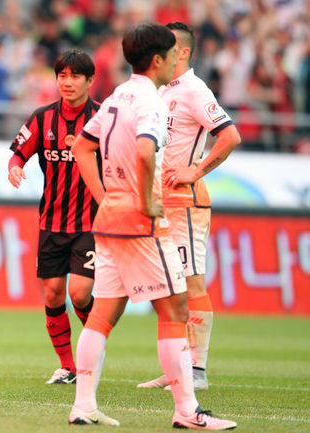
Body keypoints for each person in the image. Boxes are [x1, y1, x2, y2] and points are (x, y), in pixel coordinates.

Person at [68, 23, 237, 430]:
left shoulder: (116, 96)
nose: (176, 59)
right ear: (159, 59)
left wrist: (106, 196)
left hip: (110, 219)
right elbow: (146, 151)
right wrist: (145, 201)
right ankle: (187, 412)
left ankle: (83, 406)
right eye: (171, 53)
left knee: (102, 315)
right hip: (142, 223)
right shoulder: (152, 102)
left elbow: (82, 147)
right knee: (175, 309)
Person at [137, 21, 241, 392]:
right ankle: (176, 365)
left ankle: (197, 370)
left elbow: (230, 135)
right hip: (159, 201)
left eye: (164, 46)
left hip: (185, 202)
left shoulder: (195, 90)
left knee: (191, 282)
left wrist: (195, 170)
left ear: (182, 52)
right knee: (165, 286)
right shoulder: (160, 88)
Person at [7, 49, 99, 385]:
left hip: (90, 223)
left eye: (75, 76)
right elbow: (17, 154)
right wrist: (15, 168)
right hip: (51, 223)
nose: (67, 82)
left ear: (90, 81)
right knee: (53, 294)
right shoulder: (42, 118)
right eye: (62, 76)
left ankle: (94, 350)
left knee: (80, 294)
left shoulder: (103, 118)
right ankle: (68, 366)